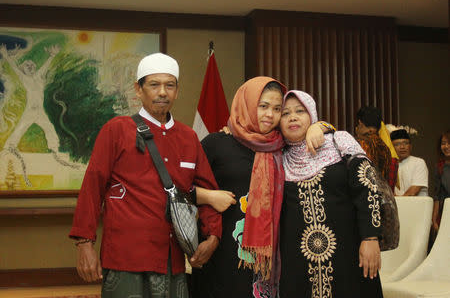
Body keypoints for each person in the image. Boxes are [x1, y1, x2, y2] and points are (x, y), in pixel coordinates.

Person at [69, 53, 221, 298]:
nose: (162, 92)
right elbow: (92, 187)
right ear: (138, 90)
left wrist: (213, 236)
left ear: (177, 91)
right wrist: (84, 243)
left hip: (172, 258)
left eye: (169, 85)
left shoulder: (188, 137)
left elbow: (208, 191)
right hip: (125, 258)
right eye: (154, 85)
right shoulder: (116, 130)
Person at [191, 77, 329, 298]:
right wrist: (208, 196)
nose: (269, 115)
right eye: (262, 106)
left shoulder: (283, 146)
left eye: (276, 109)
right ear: (247, 103)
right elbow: (182, 189)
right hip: (222, 249)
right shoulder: (217, 143)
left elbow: (309, 136)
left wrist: (318, 126)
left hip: (271, 257)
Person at [279, 90, 383, 298]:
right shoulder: (278, 158)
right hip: (297, 265)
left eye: (300, 111)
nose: (292, 117)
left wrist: (371, 237)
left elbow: (368, 187)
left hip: (349, 254)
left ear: (312, 115)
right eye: (285, 113)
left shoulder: (339, 142)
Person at [355, 106, 398, 191]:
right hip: (382, 199)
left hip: (363, 198)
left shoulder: (358, 146)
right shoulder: (387, 149)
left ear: (360, 123)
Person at [391, 129, 429, 196]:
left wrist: (398, 202)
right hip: (396, 204)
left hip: (417, 205)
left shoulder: (419, 162)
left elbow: (413, 192)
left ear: (411, 146)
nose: (402, 147)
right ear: (391, 147)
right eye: (397, 144)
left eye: (405, 143)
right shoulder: (389, 165)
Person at [431, 130, 450, 231]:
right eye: (443, 143)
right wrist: (434, 219)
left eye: (449, 143)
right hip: (446, 212)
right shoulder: (439, 166)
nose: (446, 146)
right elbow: (438, 195)